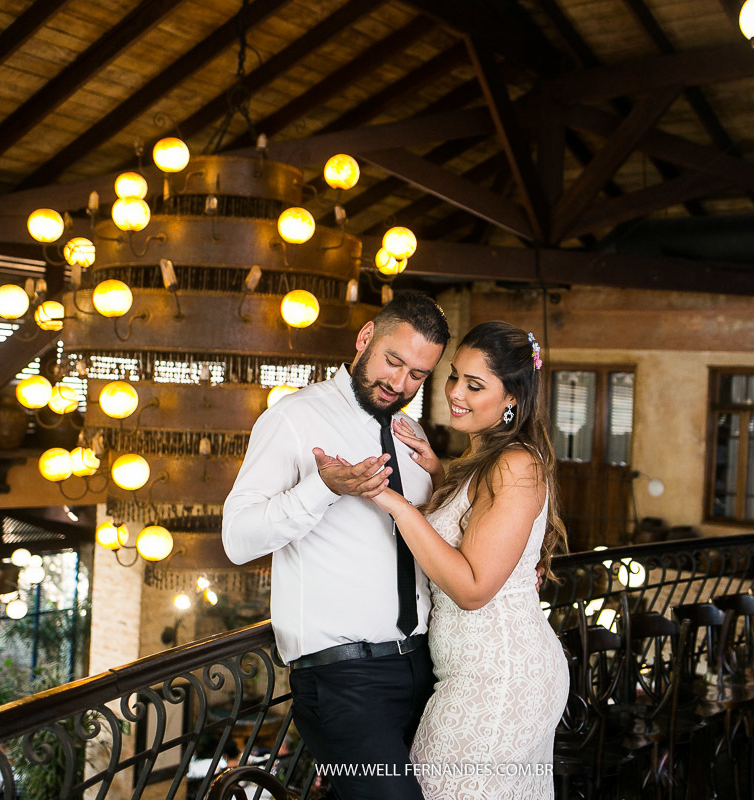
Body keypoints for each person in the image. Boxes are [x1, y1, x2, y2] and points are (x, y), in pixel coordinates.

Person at [222, 291, 450, 800]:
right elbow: (237, 538)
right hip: (345, 681)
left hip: (423, 665)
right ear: (365, 337)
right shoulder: (292, 419)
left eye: (418, 375)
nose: (400, 383)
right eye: (394, 361)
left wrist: (439, 476)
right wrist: (323, 489)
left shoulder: (410, 431)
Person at [361, 320, 570, 800]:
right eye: (455, 376)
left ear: (511, 398)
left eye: (474, 385)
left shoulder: (517, 464)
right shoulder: (482, 458)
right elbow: (470, 530)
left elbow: (473, 588)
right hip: (474, 674)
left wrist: (396, 503)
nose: (454, 392)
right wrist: (438, 474)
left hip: (500, 680)